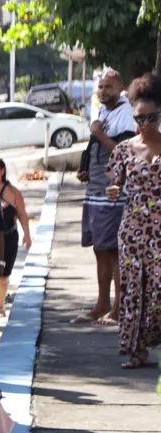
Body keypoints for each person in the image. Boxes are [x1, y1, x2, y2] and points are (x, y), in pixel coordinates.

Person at [105, 73, 161, 369]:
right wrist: (113, 191)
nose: (146, 124)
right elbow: (114, 184)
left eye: (151, 118)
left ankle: (154, 340)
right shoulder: (124, 150)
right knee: (133, 290)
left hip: (160, 231)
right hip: (133, 230)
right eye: (140, 119)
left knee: (158, 289)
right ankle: (137, 350)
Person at [76, 69, 136, 326]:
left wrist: (99, 133)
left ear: (120, 88)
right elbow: (97, 147)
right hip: (96, 188)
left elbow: (125, 151)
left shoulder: (128, 113)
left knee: (114, 250)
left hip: (114, 191)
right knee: (100, 249)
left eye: (108, 87)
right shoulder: (103, 111)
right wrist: (86, 167)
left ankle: (119, 308)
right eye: (100, 87)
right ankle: (102, 304)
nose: (103, 92)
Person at [0, 157, 32, 316]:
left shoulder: (12, 192)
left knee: (3, 275)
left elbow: (22, 214)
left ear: (2, 171)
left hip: (8, 238)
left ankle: (0, 305)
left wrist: (27, 235)